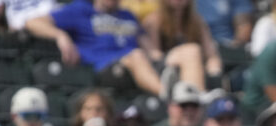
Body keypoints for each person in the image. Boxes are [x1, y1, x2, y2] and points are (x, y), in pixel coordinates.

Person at [26, 0, 203, 97]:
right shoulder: (80, 10)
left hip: (140, 65)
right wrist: (60, 36)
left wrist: (164, 61)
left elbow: (151, 50)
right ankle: (169, 96)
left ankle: (197, 98)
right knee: (135, 55)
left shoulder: (128, 15)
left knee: (191, 51)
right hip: (108, 68)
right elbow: (32, 22)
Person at [142, 0, 223, 80]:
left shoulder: (196, 21)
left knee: (194, 52)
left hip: (195, 67)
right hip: (166, 70)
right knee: (192, 51)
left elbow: (211, 54)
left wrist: (214, 72)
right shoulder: (153, 21)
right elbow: (154, 56)